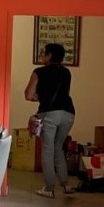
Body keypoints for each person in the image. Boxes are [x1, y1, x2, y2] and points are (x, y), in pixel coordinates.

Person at [24, 42, 76, 198]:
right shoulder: (67, 72)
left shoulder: (38, 72)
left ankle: (49, 188)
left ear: (50, 55)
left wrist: (39, 98)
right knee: (58, 147)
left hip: (50, 114)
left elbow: (28, 95)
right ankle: (66, 185)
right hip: (69, 113)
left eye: (43, 53)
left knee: (47, 150)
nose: (42, 56)